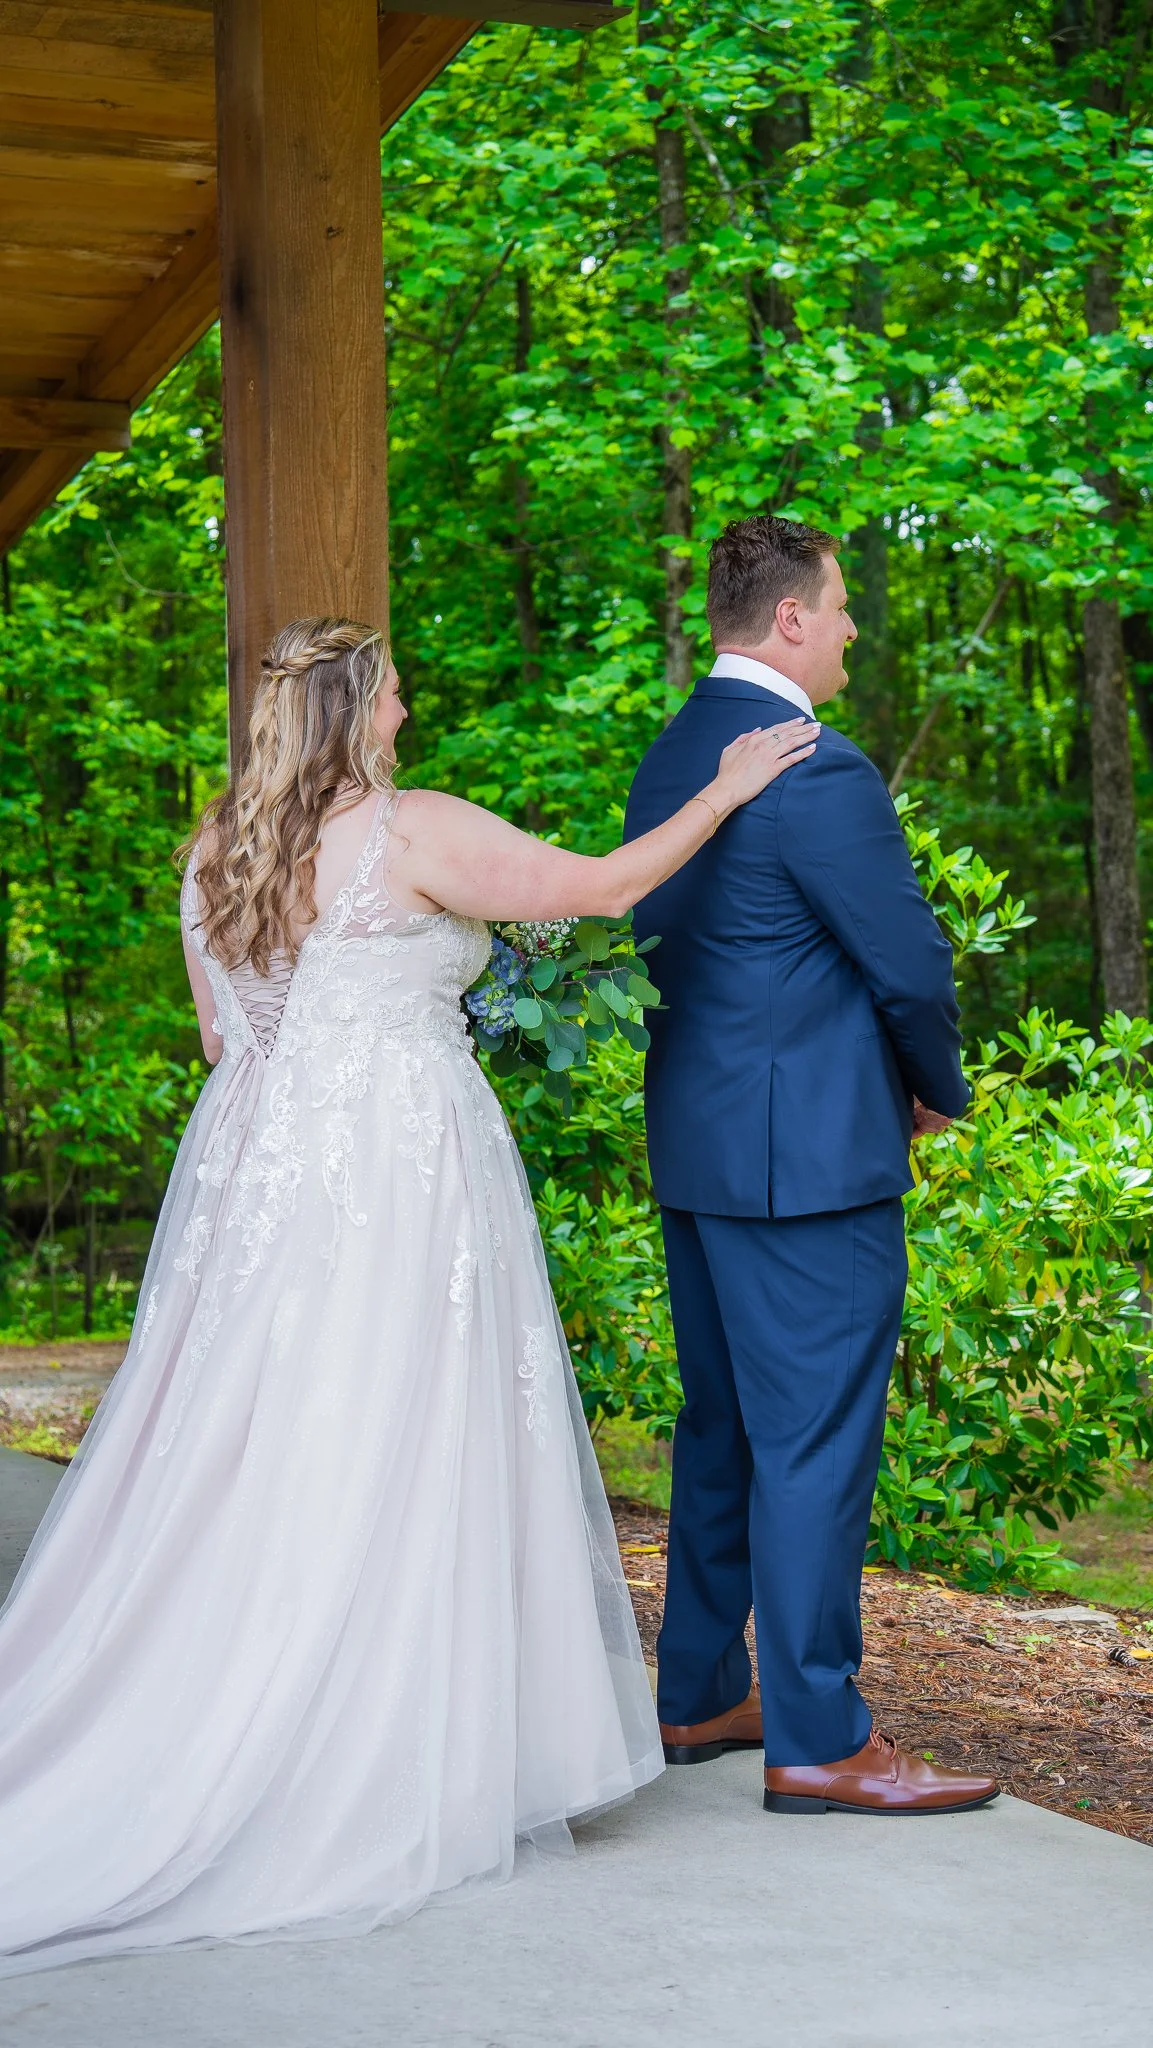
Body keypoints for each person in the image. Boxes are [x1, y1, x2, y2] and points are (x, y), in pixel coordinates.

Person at [0, 616, 817, 1977]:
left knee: (266, 1448)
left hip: (264, 1191)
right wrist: (726, 790)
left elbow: (227, 1040)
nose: (407, 700)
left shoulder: (218, 849)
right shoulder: (410, 828)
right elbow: (605, 888)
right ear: (360, 710)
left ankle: (247, 1700)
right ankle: (362, 1746)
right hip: (397, 1173)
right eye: (393, 685)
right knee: (400, 1440)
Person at [624, 516, 999, 1816]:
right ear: (788, 618)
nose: (850, 628)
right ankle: (820, 1738)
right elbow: (907, 961)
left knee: (724, 1431)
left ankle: (699, 1692)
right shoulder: (818, 770)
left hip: (701, 1156)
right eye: (838, 607)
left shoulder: (673, 753)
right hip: (813, 1173)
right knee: (817, 1447)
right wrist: (938, 1093)